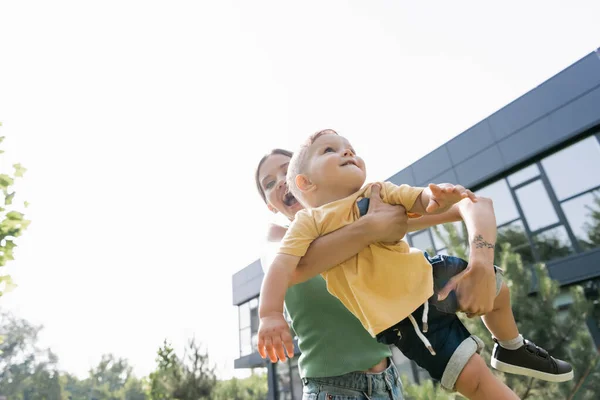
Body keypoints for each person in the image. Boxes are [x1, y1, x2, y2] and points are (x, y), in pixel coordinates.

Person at [257, 129, 573, 400]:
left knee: (496, 287)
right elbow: (290, 269)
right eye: (269, 184)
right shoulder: (283, 239)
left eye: (282, 173)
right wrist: (373, 227)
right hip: (335, 387)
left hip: (391, 379)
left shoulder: (372, 199)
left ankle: (511, 346)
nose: (279, 184)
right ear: (277, 200)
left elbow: (471, 204)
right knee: (476, 378)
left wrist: (479, 263)